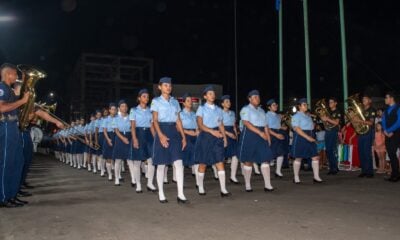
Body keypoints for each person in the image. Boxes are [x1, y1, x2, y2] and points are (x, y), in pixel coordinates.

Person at [151, 77, 187, 204]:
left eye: (170, 85)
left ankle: (181, 194)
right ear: (160, 87)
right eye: (165, 85)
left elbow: (178, 120)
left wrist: (183, 136)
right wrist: (160, 135)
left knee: (179, 162)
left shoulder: (175, 102)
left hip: (174, 131)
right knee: (161, 164)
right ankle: (161, 192)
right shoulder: (156, 102)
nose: (168, 87)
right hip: (162, 129)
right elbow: (155, 120)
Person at [0, 63, 30, 208]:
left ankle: (12, 194)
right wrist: (22, 101)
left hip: (14, 127)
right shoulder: (2, 88)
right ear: (7, 74)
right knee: (7, 163)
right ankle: (3, 197)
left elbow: (15, 102)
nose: (17, 76)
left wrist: (24, 83)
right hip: (6, 126)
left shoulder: (10, 90)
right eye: (15, 74)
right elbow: (1, 107)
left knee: (18, 161)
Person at [194, 86, 231, 197]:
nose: (212, 95)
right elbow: (200, 125)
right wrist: (212, 132)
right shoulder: (201, 108)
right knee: (203, 163)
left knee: (220, 161)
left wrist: (224, 137)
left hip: (217, 136)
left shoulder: (219, 110)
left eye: (213, 93)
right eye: (209, 93)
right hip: (205, 136)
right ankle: (200, 186)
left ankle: (223, 189)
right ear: (205, 96)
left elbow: (220, 124)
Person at [238, 90, 275, 192]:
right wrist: (260, 133)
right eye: (254, 97)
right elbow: (246, 123)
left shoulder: (262, 111)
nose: (257, 99)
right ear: (249, 99)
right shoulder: (245, 109)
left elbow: (266, 125)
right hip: (250, 134)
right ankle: (248, 184)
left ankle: (268, 185)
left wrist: (268, 136)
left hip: (262, 135)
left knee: (265, 158)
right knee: (248, 161)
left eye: (258, 97)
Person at [129, 89, 156, 192]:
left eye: (147, 97)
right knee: (137, 161)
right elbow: (132, 126)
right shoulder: (134, 110)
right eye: (144, 96)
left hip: (149, 135)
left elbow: (152, 126)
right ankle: (138, 184)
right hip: (138, 134)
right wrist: (135, 139)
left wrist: (156, 139)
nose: (146, 98)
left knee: (151, 160)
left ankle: (150, 183)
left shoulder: (151, 111)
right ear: (139, 98)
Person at [291, 98, 323, 184]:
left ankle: (316, 177)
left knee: (315, 157)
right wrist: (307, 137)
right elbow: (297, 129)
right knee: (298, 157)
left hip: (311, 135)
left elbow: (312, 127)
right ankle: (296, 177)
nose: (306, 106)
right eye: (304, 104)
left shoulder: (308, 116)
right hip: (301, 136)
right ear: (299, 106)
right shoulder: (295, 116)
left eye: (306, 104)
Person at [179, 93, 199, 185]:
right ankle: (179, 180)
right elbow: (177, 127)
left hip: (194, 137)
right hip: (184, 136)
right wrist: (188, 132)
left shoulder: (194, 114)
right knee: (182, 159)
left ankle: (199, 182)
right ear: (183, 103)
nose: (190, 102)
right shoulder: (180, 114)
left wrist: (197, 131)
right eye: (188, 101)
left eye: (191, 101)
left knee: (196, 158)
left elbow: (197, 125)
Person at [266, 99, 288, 178]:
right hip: (271, 134)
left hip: (278, 133)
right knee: (269, 154)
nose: (276, 106)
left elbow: (277, 125)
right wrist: (276, 135)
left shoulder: (278, 116)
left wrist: (282, 128)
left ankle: (278, 171)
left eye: (276, 104)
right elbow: (267, 128)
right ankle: (266, 172)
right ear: (269, 107)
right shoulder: (266, 115)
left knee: (281, 153)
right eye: (273, 105)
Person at [220, 95, 240, 184]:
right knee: (221, 155)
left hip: (232, 133)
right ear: (222, 104)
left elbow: (234, 126)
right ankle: (219, 174)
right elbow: (219, 126)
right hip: (223, 133)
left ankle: (233, 176)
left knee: (235, 155)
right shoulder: (219, 113)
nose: (229, 103)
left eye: (229, 101)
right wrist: (228, 134)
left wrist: (236, 136)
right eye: (226, 102)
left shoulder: (232, 113)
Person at [320, 97, 342, 175]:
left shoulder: (337, 111)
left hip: (333, 132)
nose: (330, 104)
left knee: (332, 150)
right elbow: (325, 123)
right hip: (328, 131)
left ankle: (334, 168)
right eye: (329, 102)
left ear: (335, 103)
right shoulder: (328, 112)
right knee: (328, 150)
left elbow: (336, 123)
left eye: (331, 102)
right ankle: (332, 167)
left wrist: (327, 119)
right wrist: (323, 119)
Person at [382, 91, 400, 182]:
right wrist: (385, 130)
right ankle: (394, 174)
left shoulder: (398, 108)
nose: (385, 99)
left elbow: (399, 122)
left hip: (396, 134)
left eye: (386, 97)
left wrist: (389, 130)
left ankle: (396, 175)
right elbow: (383, 121)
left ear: (391, 98)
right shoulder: (386, 109)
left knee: (393, 154)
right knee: (391, 154)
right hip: (388, 134)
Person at [112, 100, 131, 186]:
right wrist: (123, 138)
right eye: (122, 106)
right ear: (119, 108)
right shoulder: (115, 118)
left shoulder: (130, 117)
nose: (124, 108)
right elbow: (116, 130)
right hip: (119, 138)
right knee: (118, 160)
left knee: (130, 159)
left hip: (129, 137)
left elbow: (132, 128)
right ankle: (116, 178)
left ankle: (133, 179)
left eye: (126, 106)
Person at [357, 95, 376, 178]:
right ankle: (364, 171)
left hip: (368, 132)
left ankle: (369, 172)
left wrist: (359, 120)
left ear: (370, 101)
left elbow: (371, 123)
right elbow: (357, 122)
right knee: (361, 152)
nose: (363, 100)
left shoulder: (372, 110)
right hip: (361, 133)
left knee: (366, 152)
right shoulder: (361, 110)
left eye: (365, 99)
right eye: (363, 99)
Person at [102, 103, 118, 181]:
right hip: (109, 136)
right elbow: (104, 131)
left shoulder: (118, 118)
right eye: (112, 109)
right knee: (109, 157)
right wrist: (108, 139)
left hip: (116, 136)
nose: (114, 111)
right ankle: (110, 174)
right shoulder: (106, 120)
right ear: (109, 110)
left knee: (116, 158)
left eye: (115, 109)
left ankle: (117, 174)